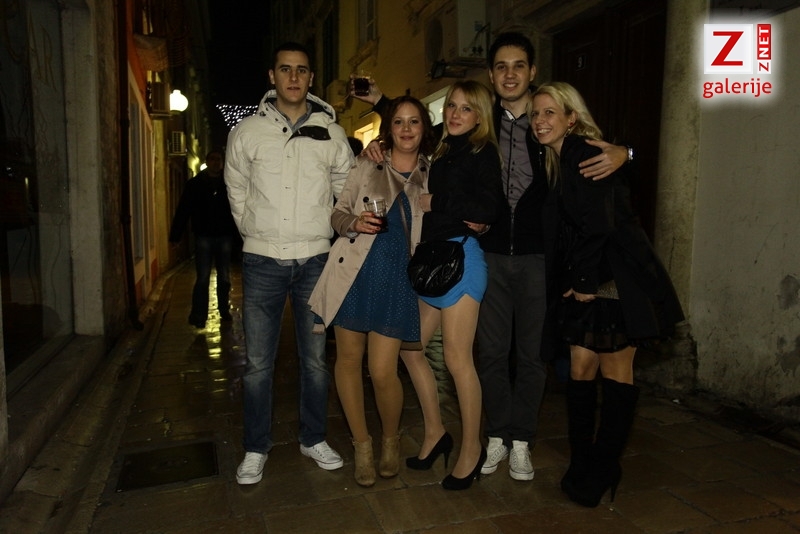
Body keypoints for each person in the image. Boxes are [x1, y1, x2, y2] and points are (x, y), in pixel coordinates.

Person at [353, 31, 630, 482]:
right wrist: (382, 128)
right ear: (491, 75)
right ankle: (495, 434)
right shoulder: (480, 123)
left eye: (518, 65)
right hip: (491, 252)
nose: (509, 74)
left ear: (532, 71)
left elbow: (590, 147)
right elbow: (419, 128)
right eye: (501, 66)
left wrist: (627, 152)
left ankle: (521, 440)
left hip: (539, 255)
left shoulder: (546, 122)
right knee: (492, 353)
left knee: (532, 355)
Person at [530, 81, 684, 507]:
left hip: (618, 280)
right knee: (580, 367)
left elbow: (600, 223)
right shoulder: (559, 159)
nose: (540, 121)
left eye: (549, 112)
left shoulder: (584, 154)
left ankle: (603, 466)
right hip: (590, 277)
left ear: (571, 118)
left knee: (615, 370)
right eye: (535, 114)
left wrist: (582, 282)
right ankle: (583, 460)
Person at [224, 42, 354, 485]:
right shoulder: (247, 131)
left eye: (301, 70)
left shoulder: (331, 132)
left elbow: (346, 189)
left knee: (315, 361)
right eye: (285, 69)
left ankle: (313, 437)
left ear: (311, 78)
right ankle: (255, 447)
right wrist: (253, 231)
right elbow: (236, 188)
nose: (294, 77)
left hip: (316, 260)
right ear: (272, 76)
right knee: (258, 364)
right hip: (262, 261)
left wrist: (328, 232)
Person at [309, 96, 437, 487]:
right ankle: (362, 445)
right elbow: (336, 213)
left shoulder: (433, 172)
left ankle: (390, 439)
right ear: (389, 129)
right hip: (355, 274)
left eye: (414, 122)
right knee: (348, 361)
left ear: (424, 128)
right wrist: (353, 223)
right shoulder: (367, 163)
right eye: (398, 122)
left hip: (398, 281)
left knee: (382, 371)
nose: (406, 129)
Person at [413, 80, 504, 490]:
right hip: (434, 259)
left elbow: (489, 207)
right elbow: (405, 123)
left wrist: (437, 202)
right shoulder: (445, 149)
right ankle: (436, 433)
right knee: (410, 347)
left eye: (466, 108)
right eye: (451, 105)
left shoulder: (482, 152)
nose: (455, 113)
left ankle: (472, 448)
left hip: (462, 260)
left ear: (480, 116)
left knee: (457, 359)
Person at [169, 149, 237, 328]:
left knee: (224, 277)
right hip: (204, 236)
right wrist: (176, 234)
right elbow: (184, 209)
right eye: (212, 159)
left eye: (218, 159)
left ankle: (224, 309)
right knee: (202, 278)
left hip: (224, 235)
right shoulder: (195, 184)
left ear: (222, 162)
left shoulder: (229, 184)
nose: (216, 162)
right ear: (207, 162)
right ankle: (199, 315)